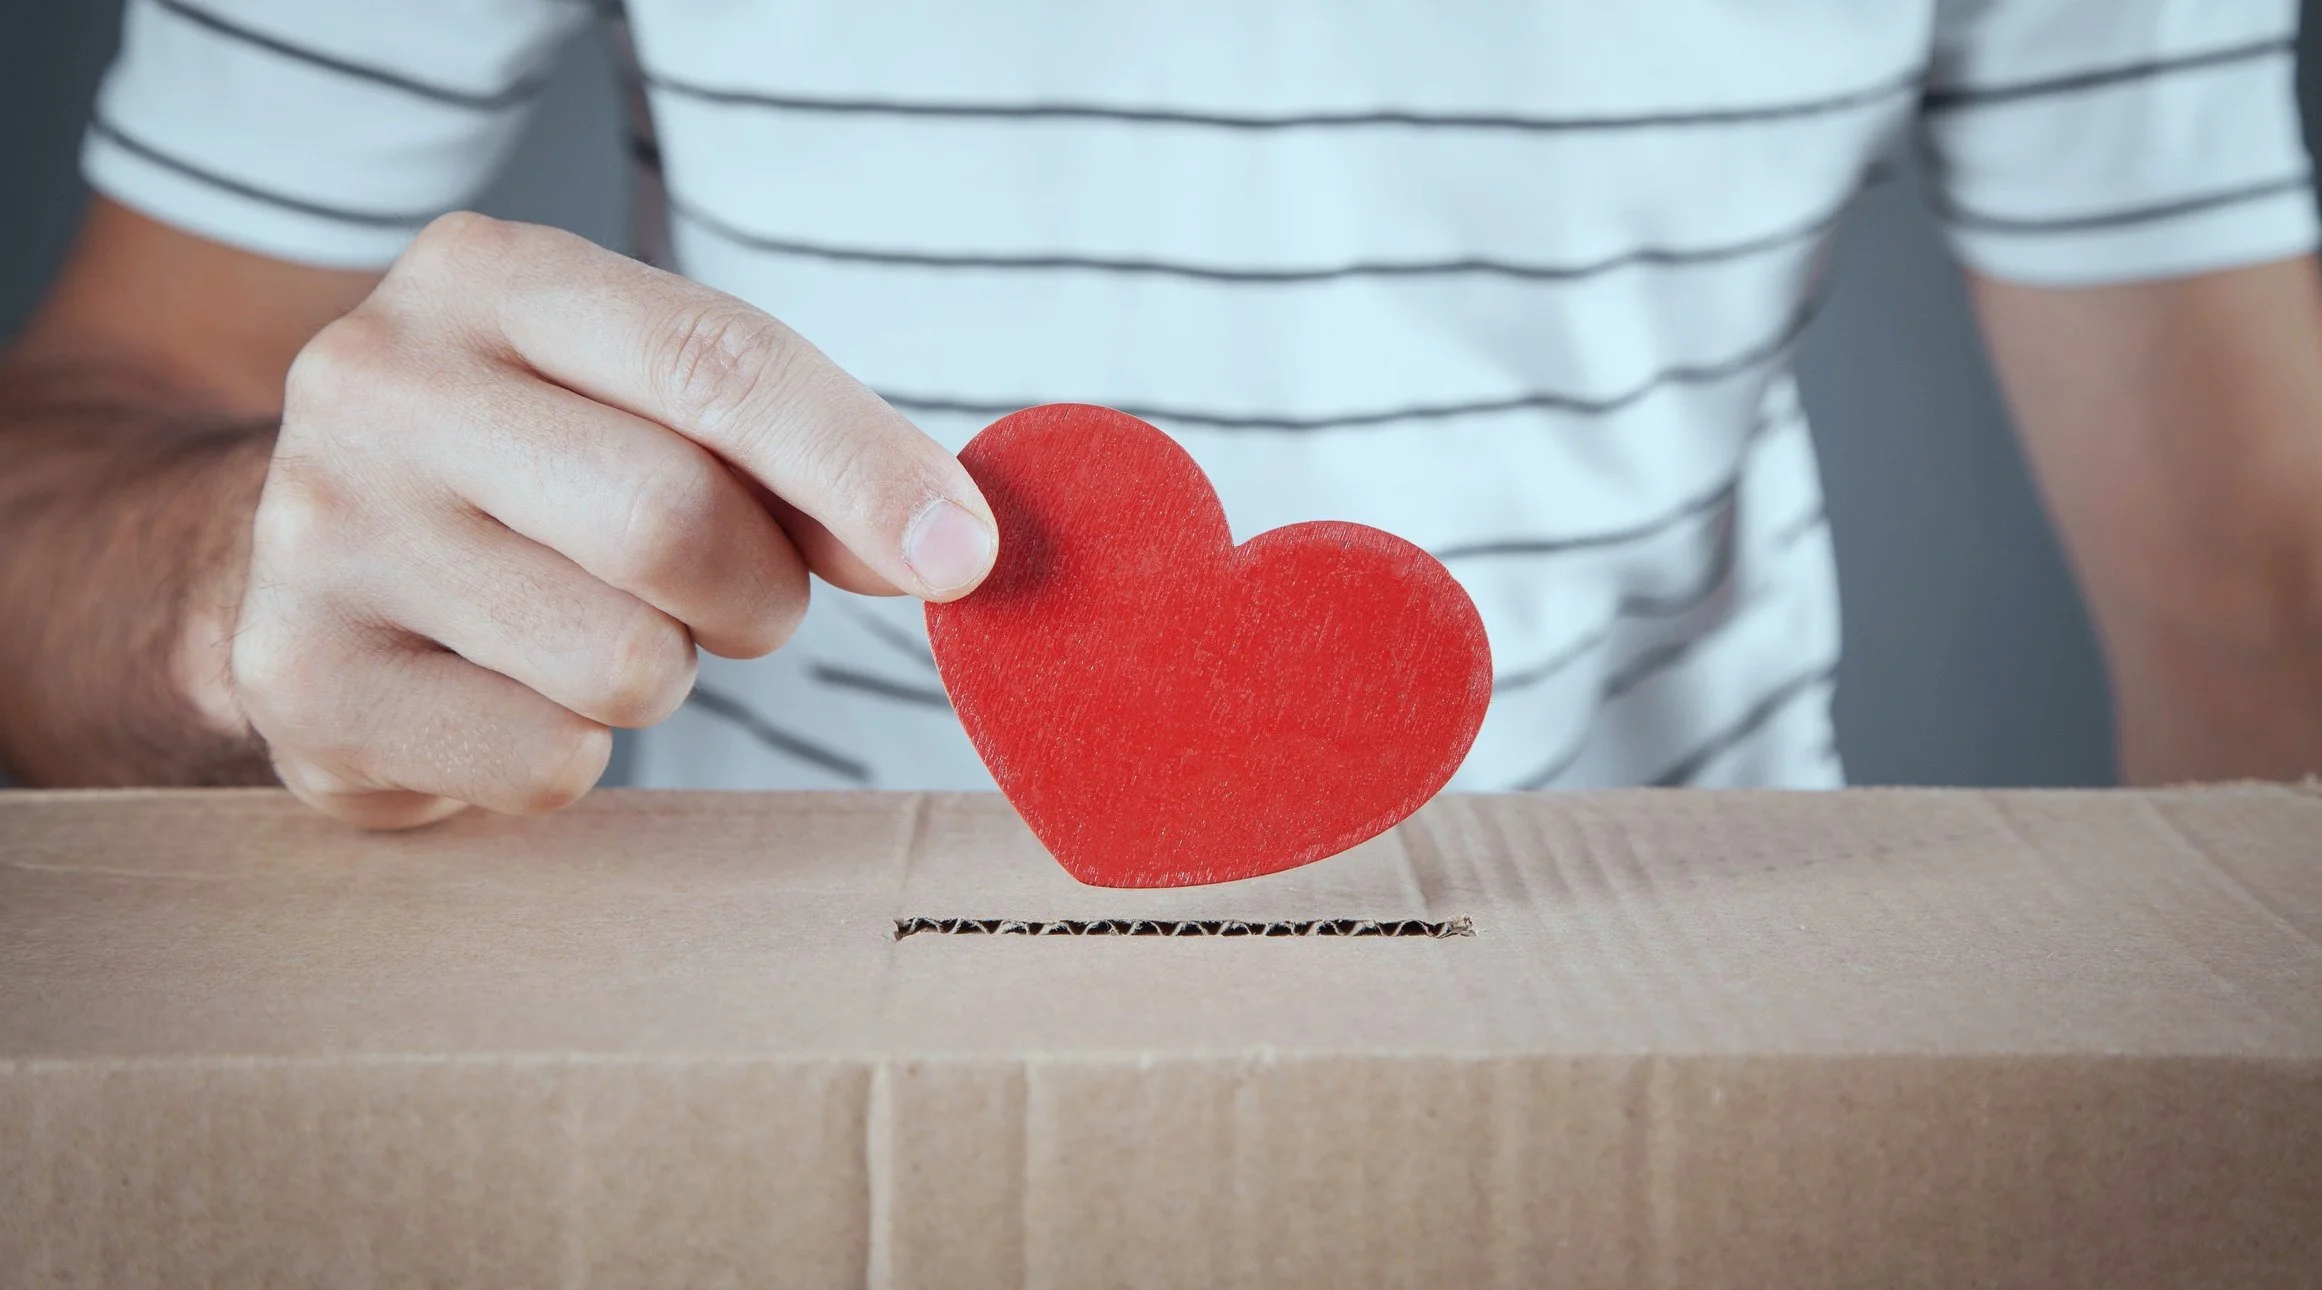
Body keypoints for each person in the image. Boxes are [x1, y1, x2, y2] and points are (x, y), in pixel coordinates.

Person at [2, 0, 2318, 827]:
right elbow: (98, 431)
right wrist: (233, 590)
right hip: (744, 1071)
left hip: (1673, 1050)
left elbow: (2261, 593)